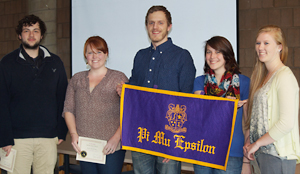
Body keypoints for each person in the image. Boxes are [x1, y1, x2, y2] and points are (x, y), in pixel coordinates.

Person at [117, 5, 196, 174]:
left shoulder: (182, 56)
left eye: (160, 23)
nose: (155, 27)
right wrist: (124, 91)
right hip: (141, 133)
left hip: (168, 135)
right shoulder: (140, 56)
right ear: (146, 26)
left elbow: (187, 100)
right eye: (151, 23)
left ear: (169, 26)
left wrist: (177, 141)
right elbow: (134, 91)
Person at [0, 14, 68, 174]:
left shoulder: (55, 63)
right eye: (26, 31)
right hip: (16, 140)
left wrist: (60, 130)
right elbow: (1, 103)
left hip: (48, 137)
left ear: (42, 35)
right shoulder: (7, 63)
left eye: (36, 30)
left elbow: (63, 98)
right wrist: (4, 138)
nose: (31, 35)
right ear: (19, 35)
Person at [63, 36, 128, 174]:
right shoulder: (77, 79)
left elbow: (128, 112)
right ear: (85, 56)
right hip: (84, 146)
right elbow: (68, 109)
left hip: (111, 147)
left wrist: (117, 138)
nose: (95, 56)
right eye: (90, 52)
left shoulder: (118, 78)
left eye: (99, 52)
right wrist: (74, 134)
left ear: (106, 54)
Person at [243, 25, 300, 174]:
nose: (260, 47)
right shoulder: (261, 78)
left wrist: (257, 144)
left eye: (266, 43)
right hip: (260, 154)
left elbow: (287, 123)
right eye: (258, 43)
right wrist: (250, 141)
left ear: (279, 47)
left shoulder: (284, 76)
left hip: (277, 155)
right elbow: (256, 117)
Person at [192, 36, 250, 174]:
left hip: (231, 150)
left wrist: (247, 160)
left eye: (217, 52)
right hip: (202, 148)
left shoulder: (244, 82)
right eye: (208, 52)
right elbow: (198, 114)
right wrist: (226, 106)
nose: (212, 56)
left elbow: (248, 122)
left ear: (227, 55)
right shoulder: (199, 82)